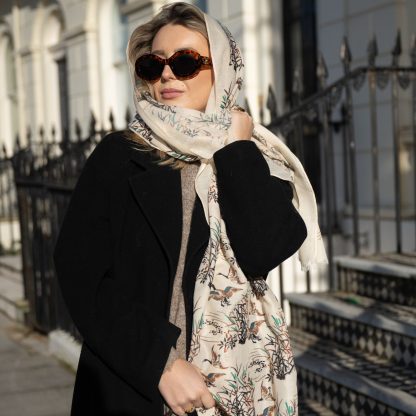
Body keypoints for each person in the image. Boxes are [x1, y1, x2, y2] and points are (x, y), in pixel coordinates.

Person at [53, 2, 326, 416]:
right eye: (153, 64)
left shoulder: (254, 158)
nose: (166, 75)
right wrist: (160, 364)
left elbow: (263, 249)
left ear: (223, 70)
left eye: (185, 62)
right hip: (135, 388)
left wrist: (236, 149)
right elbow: (81, 273)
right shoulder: (120, 155)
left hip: (235, 391)